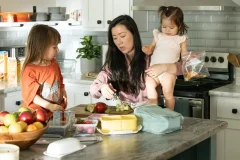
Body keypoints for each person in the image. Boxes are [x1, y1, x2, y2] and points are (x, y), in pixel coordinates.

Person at [89, 15, 181, 104]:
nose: (119, 42)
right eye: (115, 38)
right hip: (126, 115)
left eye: (123, 36)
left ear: (134, 34)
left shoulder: (151, 56)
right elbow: (93, 89)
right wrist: (102, 87)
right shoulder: (113, 64)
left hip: (152, 114)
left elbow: (185, 69)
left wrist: (164, 67)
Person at [142, 6, 189, 110]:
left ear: (179, 26)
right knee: (149, 84)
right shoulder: (158, 36)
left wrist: (188, 59)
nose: (167, 30)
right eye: (164, 26)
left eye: (171, 27)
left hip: (168, 73)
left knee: (168, 94)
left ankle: (169, 113)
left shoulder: (180, 39)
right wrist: (147, 50)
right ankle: (153, 107)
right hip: (153, 70)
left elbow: (184, 54)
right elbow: (151, 48)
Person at [21, 24, 67, 118]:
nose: (57, 50)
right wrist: (49, 106)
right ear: (41, 48)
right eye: (54, 47)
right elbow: (32, 96)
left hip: (53, 112)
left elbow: (59, 79)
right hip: (36, 115)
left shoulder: (54, 63)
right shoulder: (30, 70)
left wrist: (62, 90)